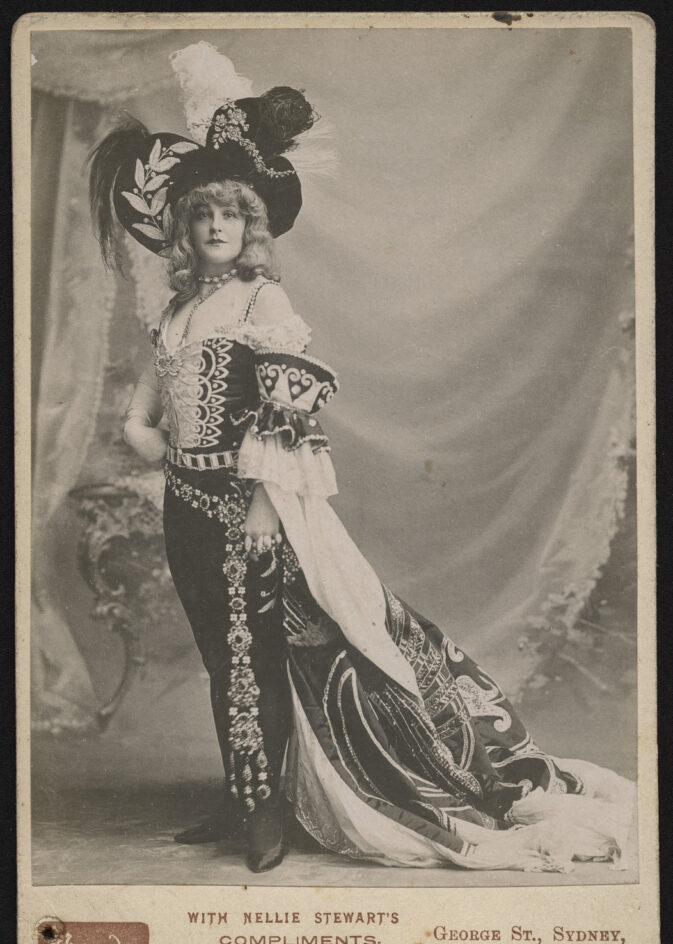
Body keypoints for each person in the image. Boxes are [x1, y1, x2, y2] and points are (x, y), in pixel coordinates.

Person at [89, 63, 635, 875]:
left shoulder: (259, 305)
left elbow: (291, 415)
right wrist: (155, 446)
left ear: (251, 228)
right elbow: (145, 409)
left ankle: (270, 811)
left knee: (263, 655)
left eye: (229, 216)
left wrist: (267, 506)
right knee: (218, 653)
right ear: (180, 228)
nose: (213, 228)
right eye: (199, 214)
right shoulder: (174, 310)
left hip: (254, 504)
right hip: (186, 501)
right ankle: (240, 792)